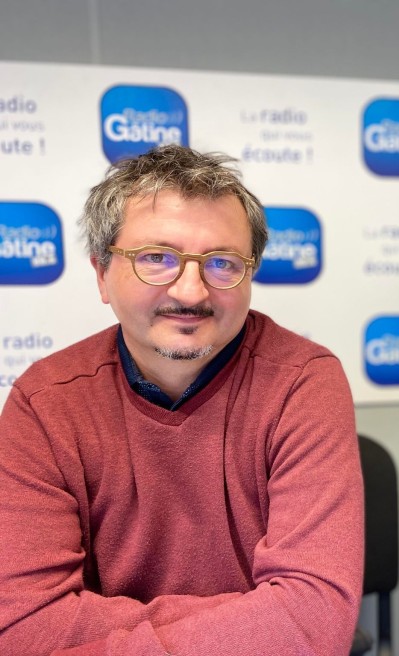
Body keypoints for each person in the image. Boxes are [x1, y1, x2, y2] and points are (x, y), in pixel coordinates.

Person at [0, 145, 364, 655]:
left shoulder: (303, 382)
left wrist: (98, 627)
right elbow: (23, 629)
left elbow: (315, 623)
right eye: (157, 258)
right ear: (102, 273)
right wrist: (256, 618)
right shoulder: (44, 402)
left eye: (222, 263)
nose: (191, 293)